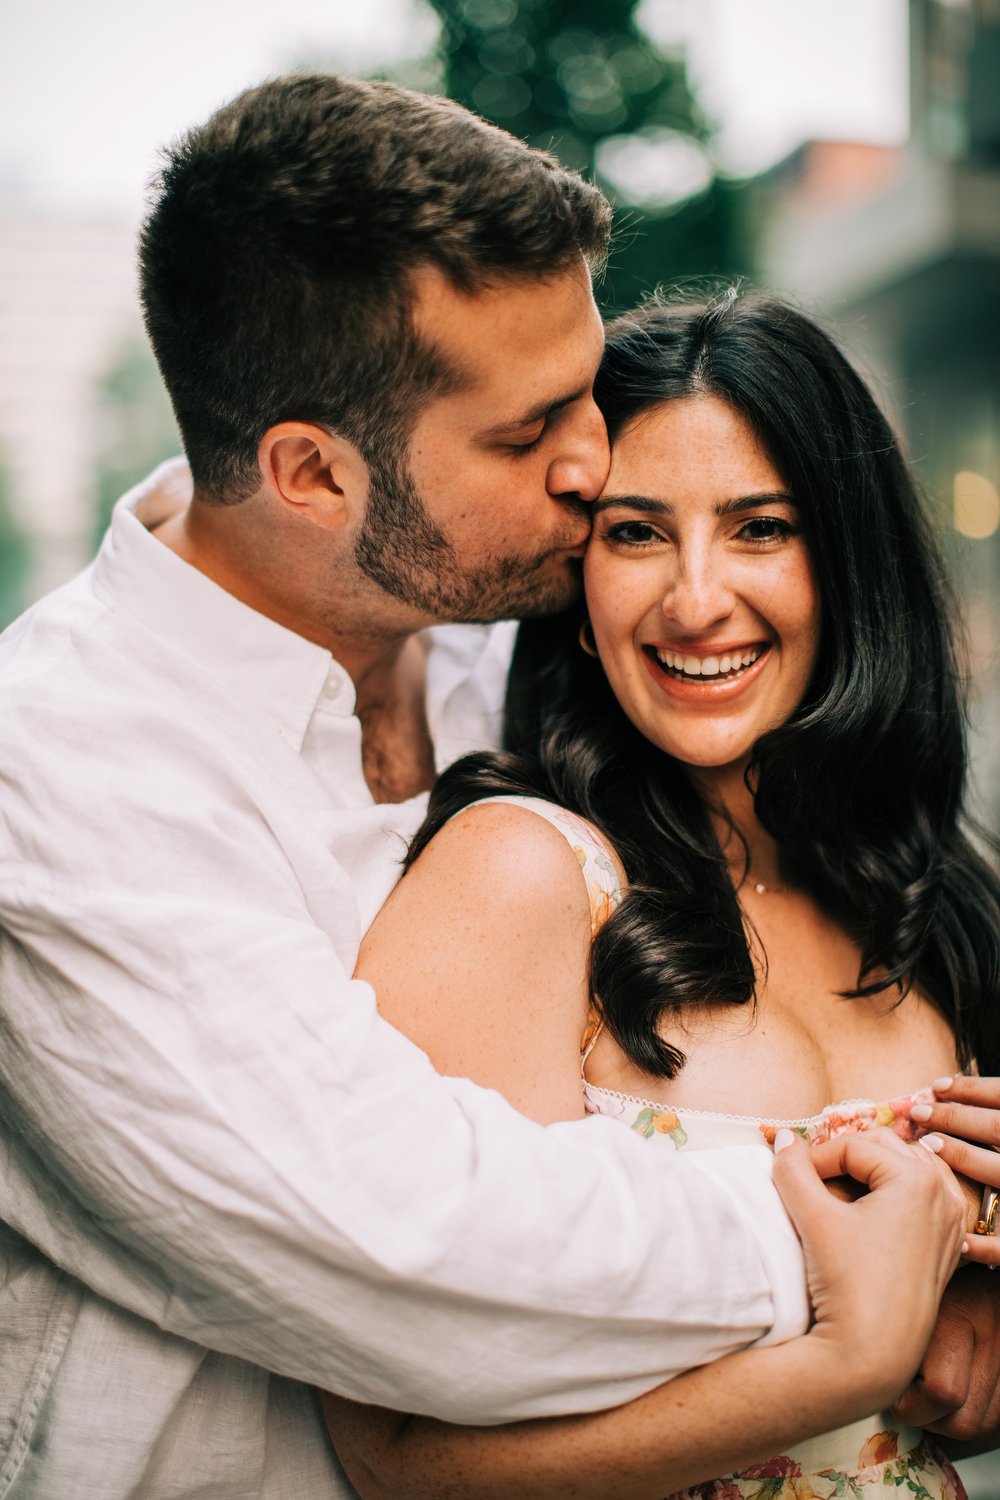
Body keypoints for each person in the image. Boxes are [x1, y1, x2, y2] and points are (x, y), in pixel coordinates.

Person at [0, 74, 923, 1500]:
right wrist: (886, 1237)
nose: (590, 459)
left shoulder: (526, 652)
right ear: (311, 473)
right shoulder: (58, 774)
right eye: (526, 429)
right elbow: (417, 1252)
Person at [319, 290, 1000, 1497]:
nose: (693, 600)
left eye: (759, 529)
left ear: (849, 566)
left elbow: (948, 1397)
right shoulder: (523, 876)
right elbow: (395, 1460)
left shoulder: (935, 897)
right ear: (574, 591)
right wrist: (843, 1362)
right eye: (635, 534)